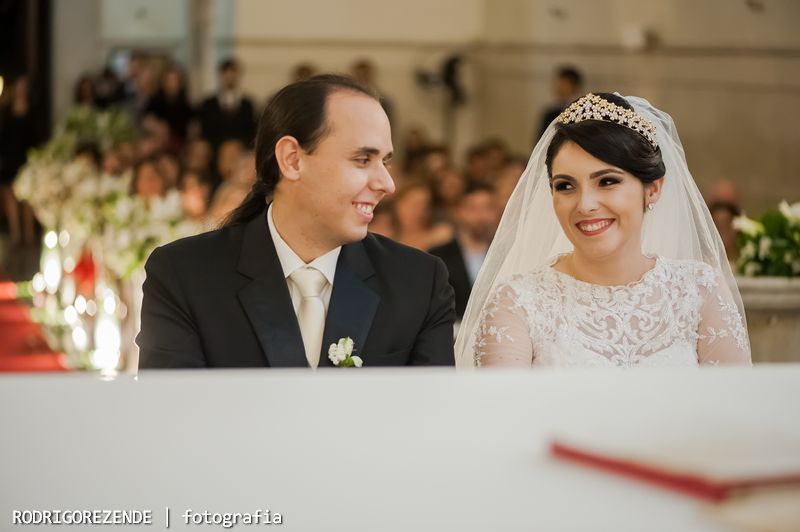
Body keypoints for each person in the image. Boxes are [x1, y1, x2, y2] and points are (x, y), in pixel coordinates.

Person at [137, 74, 455, 368]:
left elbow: (432, 421)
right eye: (363, 160)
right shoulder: (185, 275)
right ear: (292, 159)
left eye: (384, 161)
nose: (387, 184)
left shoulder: (418, 283)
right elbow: (173, 419)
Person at [456, 93, 751, 368]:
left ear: (653, 188)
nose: (585, 205)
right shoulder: (518, 301)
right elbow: (505, 418)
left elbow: (733, 411)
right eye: (565, 186)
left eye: (607, 181)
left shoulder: (698, 290)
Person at [429, 183, 497, 320]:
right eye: (473, 209)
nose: (481, 216)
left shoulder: (506, 254)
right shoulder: (437, 256)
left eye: (487, 208)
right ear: (458, 211)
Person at [198, 58, 256, 152]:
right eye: (226, 73)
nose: (229, 77)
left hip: (240, 150)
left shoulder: (247, 104)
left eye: (233, 73)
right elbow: (205, 131)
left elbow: (251, 131)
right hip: (215, 151)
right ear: (220, 76)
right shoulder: (208, 104)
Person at [536, 66, 584, 141]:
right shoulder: (550, 113)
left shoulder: (584, 111)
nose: (558, 87)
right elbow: (540, 141)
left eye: (562, 83)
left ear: (575, 86)